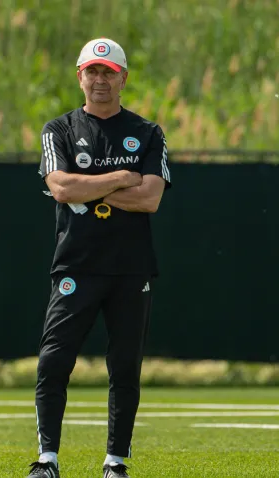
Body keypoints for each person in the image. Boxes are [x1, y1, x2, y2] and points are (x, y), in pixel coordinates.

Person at [27, 38, 172, 478]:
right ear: (80, 77)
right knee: (54, 360)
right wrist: (120, 177)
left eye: (109, 72)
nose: (100, 80)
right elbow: (62, 188)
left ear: (123, 78)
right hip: (76, 265)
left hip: (131, 268)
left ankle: (116, 463)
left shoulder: (148, 133)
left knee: (125, 365)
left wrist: (90, 184)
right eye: (92, 71)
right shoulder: (59, 130)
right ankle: (47, 460)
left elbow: (149, 199)